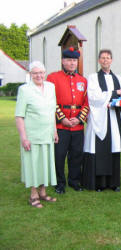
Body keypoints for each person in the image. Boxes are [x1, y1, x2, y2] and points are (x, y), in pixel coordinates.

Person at [81, 49, 121, 192]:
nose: (105, 60)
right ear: (99, 61)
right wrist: (115, 93)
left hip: (114, 117)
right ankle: (100, 184)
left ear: (111, 60)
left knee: (114, 147)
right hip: (99, 118)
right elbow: (94, 97)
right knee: (100, 149)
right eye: (102, 58)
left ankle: (113, 183)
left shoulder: (118, 78)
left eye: (108, 58)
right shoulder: (93, 77)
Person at [15, 61, 58, 208]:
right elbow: (19, 116)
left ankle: (43, 192)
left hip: (47, 133)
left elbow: (52, 110)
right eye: (35, 73)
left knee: (45, 162)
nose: (38, 75)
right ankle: (33, 194)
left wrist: (55, 130)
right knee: (33, 164)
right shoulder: (24, 90)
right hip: (32, 135)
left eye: (41, 72)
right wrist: (23, 137)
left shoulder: (51, 87)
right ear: (30, 74)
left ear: (45, 73)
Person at [47, 47, 89, 194]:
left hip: (77, 127)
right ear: (62, 61)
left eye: (74, 60)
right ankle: (59, 183)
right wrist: (62, 118)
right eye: (69, 60)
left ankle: (74, 181)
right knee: (59, 156)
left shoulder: (82, 80)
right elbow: (50, 101)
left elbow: (86, 103)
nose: (72, 63)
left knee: (76, 155)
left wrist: (78, 119)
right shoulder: (52, 78)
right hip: (61, 126)